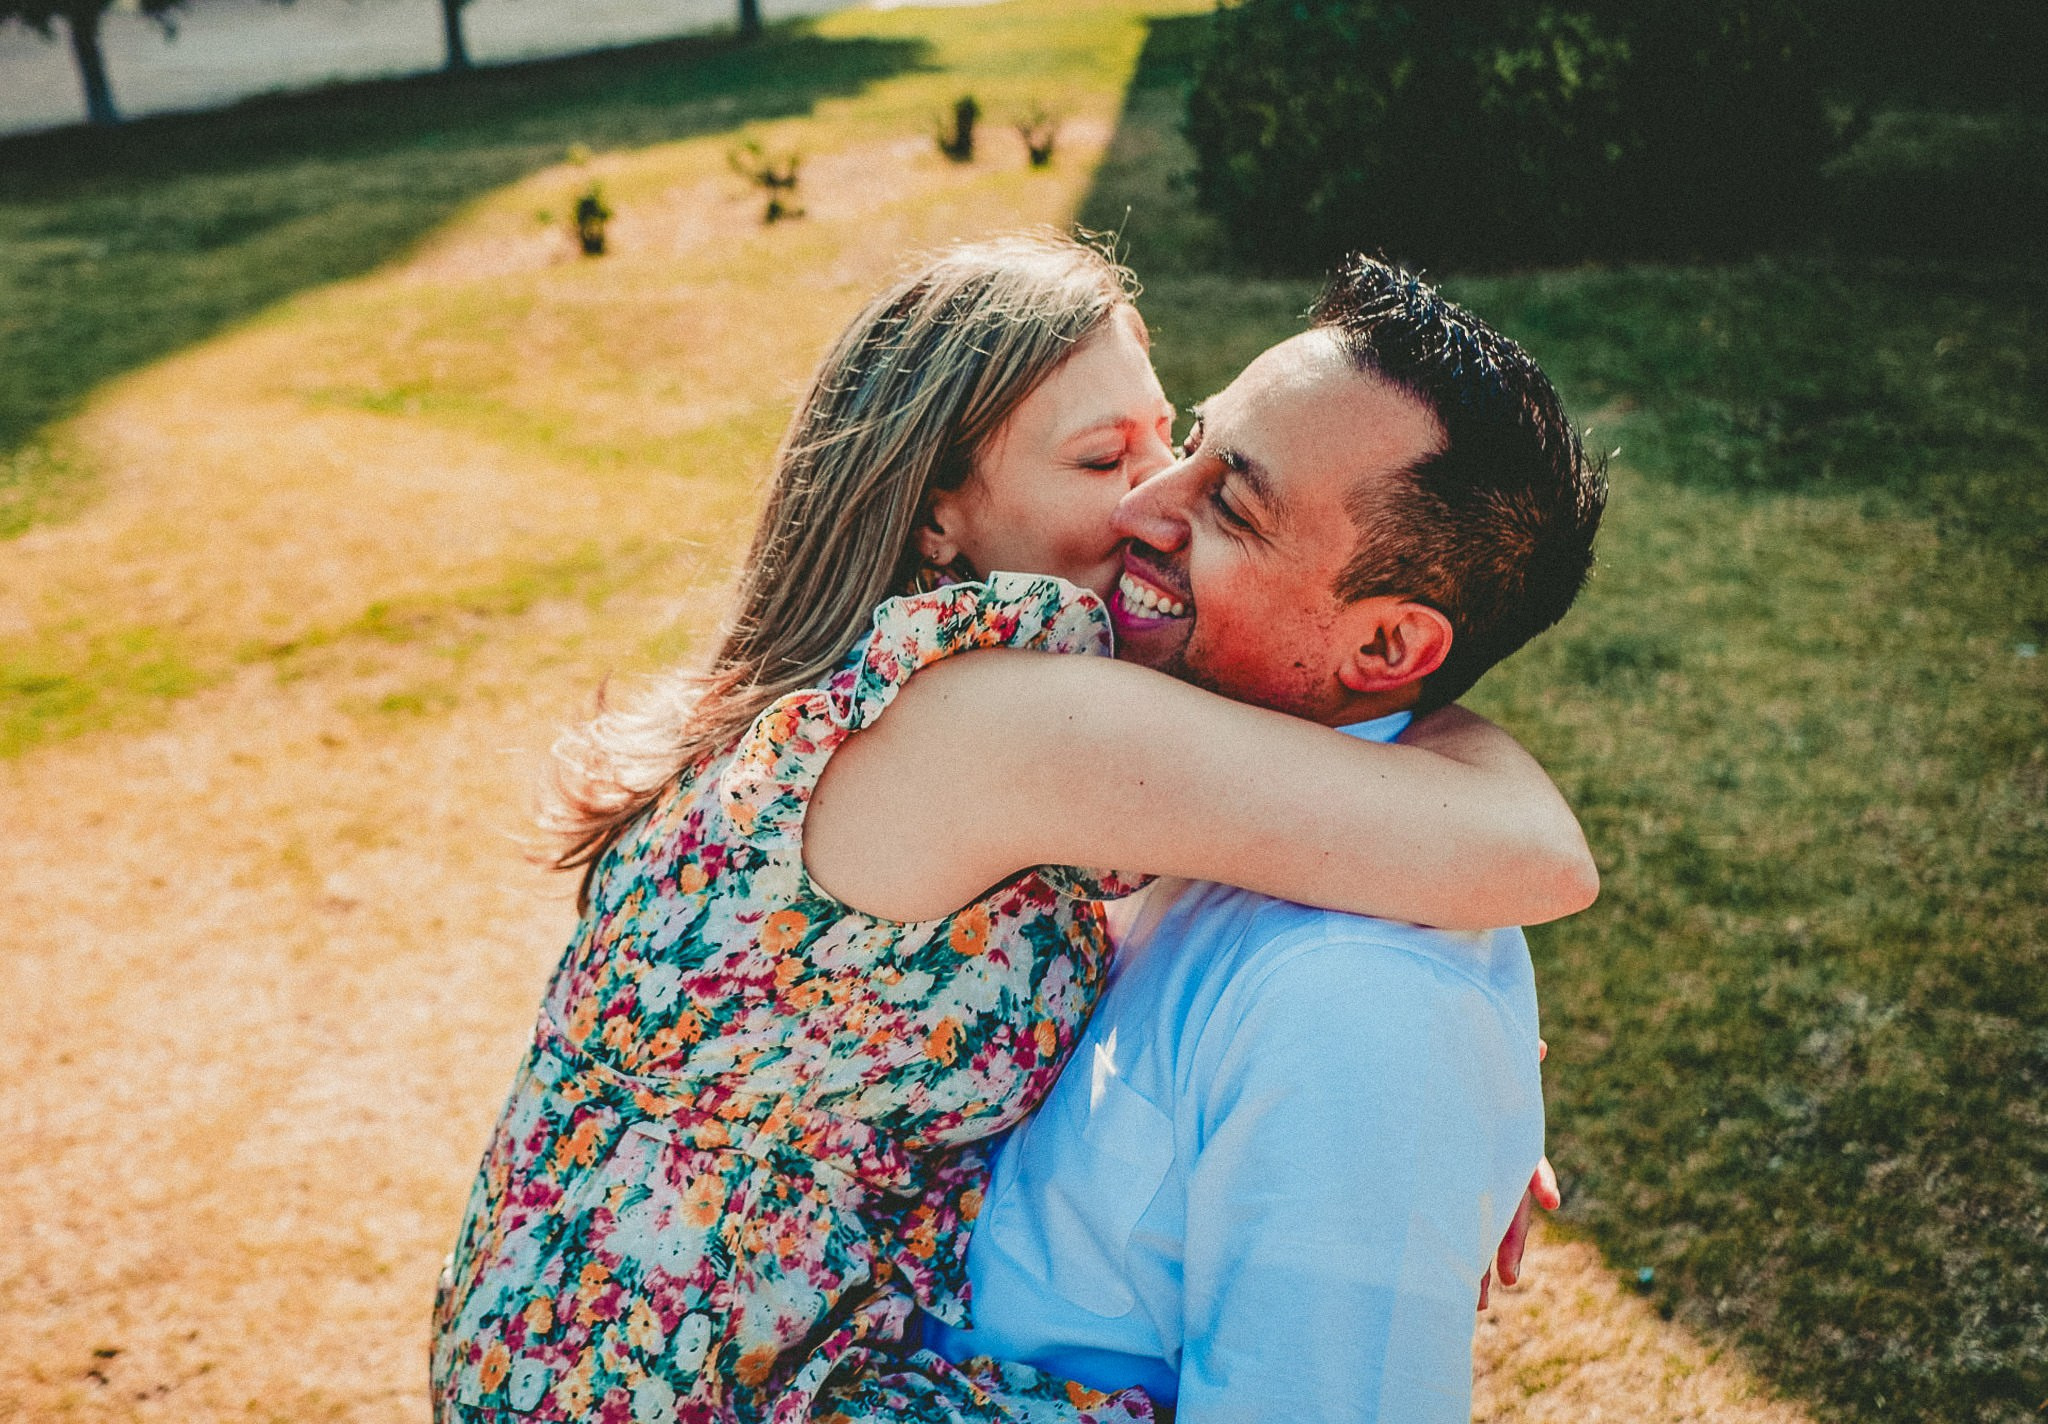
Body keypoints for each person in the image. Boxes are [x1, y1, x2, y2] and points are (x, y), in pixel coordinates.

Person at [429, 234, 1596, 1424]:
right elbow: (1534, 850)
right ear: (938, 517)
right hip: (649, 1371)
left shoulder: (943, 700)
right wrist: (1450, 1106)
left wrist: (1413, 1130)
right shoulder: (1003, 722)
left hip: (612, 1330)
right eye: (1104, 459)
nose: (1148, 498)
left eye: (1179, 448)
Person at [912, 255, 1605, 1423]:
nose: (1140, 507)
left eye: (1229, 501)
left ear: (1385, 652)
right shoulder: (1177, 783)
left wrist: (1409, 1108)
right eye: (1192, 439)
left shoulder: (1361, 1010)